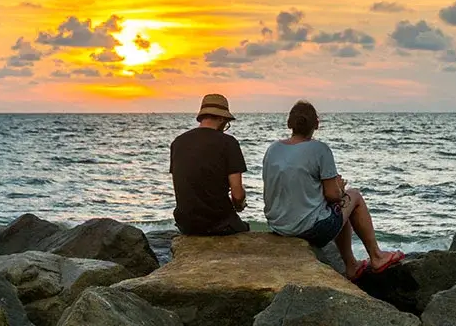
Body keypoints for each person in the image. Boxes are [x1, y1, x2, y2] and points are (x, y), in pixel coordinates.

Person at [262, 101, 404, 281]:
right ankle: (376, 256)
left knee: (339, 210)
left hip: (278, 226)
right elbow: (332, 195)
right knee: (354, 197)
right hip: (307, 229)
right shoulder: (319, 149)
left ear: (289, 123)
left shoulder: (273, 149)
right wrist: (340, 188)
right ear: (317, 124)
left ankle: (351, 264)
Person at [170, 94, 249, 236]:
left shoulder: (178, 142)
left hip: (186, 223)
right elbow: (237, 194)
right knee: (245, 230)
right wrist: (240, 205)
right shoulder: (228, 143)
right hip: (218, 223)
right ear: (221, 118)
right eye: (226, 122)